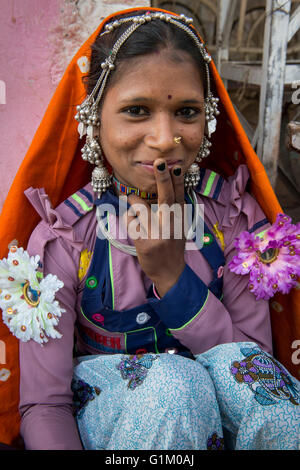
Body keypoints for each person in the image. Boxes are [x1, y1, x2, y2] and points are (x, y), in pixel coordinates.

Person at [0, 7, 299, 450]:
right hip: (109, 427)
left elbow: (253, 372)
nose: (164, 138)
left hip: (218, 420)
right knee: (173, 385)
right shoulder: (67, 237)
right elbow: (46, 406)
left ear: (208, 118)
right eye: (137, 110)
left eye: (186, 111)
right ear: (94, 120)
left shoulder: (232, 219)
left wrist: (174, 278)